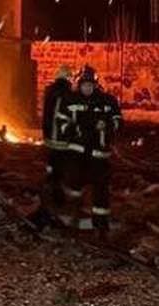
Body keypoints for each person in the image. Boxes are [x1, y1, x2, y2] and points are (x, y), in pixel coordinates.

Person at [74, 65, 123, 233]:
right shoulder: (73, 101)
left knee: (101, 190)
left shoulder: (107, 101)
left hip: (100, 156)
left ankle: (100, 223)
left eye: (90, 85)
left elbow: (118, 122)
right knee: (74, 188)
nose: (87, 88)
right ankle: (72, 218)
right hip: (78, 155)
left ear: (95, 85)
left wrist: (107, 125)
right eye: (84, 85)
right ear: (79, 85)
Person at [38, 67, 78, 217]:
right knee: (60, 166)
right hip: (61, 137)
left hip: (50, 135)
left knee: (52, 162)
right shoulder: (66, 93)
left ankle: (49, 185)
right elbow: (70, 115)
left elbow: (48, 113)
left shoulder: (50, 91)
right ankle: (57, 195)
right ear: (68, 78)